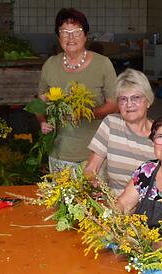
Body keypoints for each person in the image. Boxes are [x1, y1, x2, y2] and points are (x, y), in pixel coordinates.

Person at [38, 7, 118, 173]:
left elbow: (115, 104)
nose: (70, 37)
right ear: (58, 36)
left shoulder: (103, 64)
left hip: (94, 153)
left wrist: (87, 113)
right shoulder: (50, 65)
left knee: (94, 198)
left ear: (86, 35)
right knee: (61, 198)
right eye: (65, 32)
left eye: (76, 31)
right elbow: (40, 103)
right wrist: (42, 121)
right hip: (59, 151)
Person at [83, 68, 155, 196]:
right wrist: (94, 183)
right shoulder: (111, 124)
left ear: (148, 101)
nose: (129, 104)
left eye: (136, 98)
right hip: (114, 206)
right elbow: (91, 168)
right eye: (123, 99)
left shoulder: (160, 134)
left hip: (148, 208)